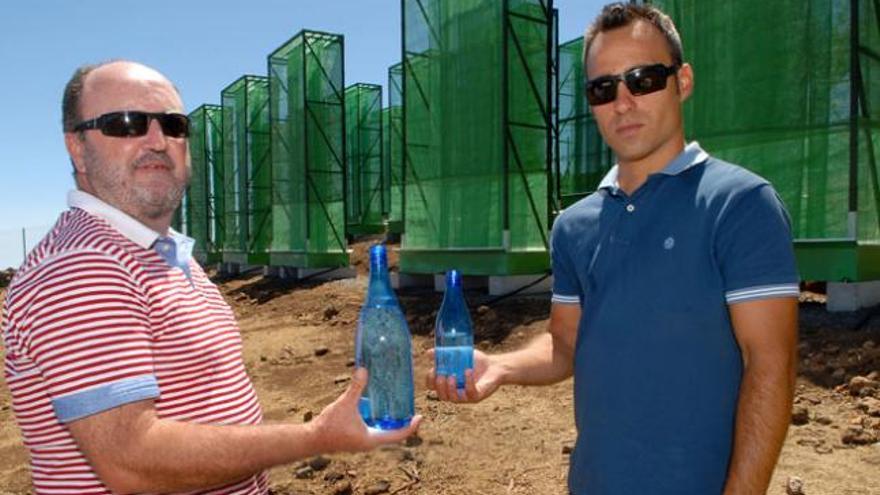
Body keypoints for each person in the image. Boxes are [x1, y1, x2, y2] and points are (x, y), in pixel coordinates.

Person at [1, 60, 420, 495]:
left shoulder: (164, 254)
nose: (158, 141)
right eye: (125, 123)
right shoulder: (81, 266)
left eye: (174, 124)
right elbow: (133, 463)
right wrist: (316, 436)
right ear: (76, 146)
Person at [427, 3, 799, 494]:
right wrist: (500, 366)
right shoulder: (574, 227)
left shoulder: (741, 205)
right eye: (603, 88)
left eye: (643, 79)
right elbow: (565, 346)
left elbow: (771, 364)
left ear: (682, 82)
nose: (623, 102)